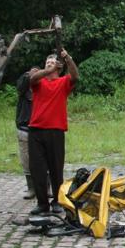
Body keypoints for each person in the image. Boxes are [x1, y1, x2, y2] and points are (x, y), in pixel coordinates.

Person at [27, 49, 79, 215]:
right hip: (36, 130)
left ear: (59, 67)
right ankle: (42, 203)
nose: (48, 65)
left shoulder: (63, 82)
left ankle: (57, 201)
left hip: (55, 131)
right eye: (46, 63)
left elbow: (75, 76)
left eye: (51, 63)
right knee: (37, 169)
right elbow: (32, 78)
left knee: (56, 168)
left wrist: (67, 58)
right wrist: (47, 70)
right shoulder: (38, 82)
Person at [16, 69, 37, 200]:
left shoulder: (43, 89)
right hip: (24, 128)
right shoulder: (24, 91)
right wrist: (28, 74)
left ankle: (46, 188)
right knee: (26, 159)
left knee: (43, 160)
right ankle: (31, 188)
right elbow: (21, 85)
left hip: (40, 128)